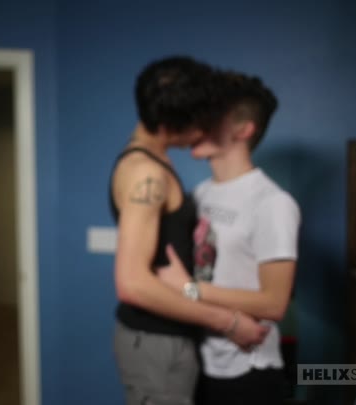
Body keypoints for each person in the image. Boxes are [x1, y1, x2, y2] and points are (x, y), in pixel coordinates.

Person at [110, 56, 270, 405]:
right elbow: (131, 284)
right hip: (157, 341)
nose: (204, 127)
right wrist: (228, 322)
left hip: (168, 338)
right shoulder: (146, 174)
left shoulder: (153, 162)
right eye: (201, 118)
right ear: (174, 122)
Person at [158, 70, 301, 405]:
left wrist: (188, 288)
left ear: (243, 129)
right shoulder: (200, 194)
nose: (196, 124)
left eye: (210, 116)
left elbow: (275, 303)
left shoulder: (272, 203)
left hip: (247, 370)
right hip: (197, 361)